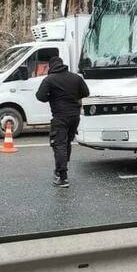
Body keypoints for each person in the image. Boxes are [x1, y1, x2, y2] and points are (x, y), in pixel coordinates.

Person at [36, 55, 90, 188]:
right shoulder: (76, 77)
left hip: (60, 117)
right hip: (74, 117)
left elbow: (40, 96)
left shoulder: (49, 80)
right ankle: (60, 169)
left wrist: (52, 97)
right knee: (66, 144)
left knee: (59, 145)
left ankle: (62, 177)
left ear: (51, 66)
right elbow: (86, 92)